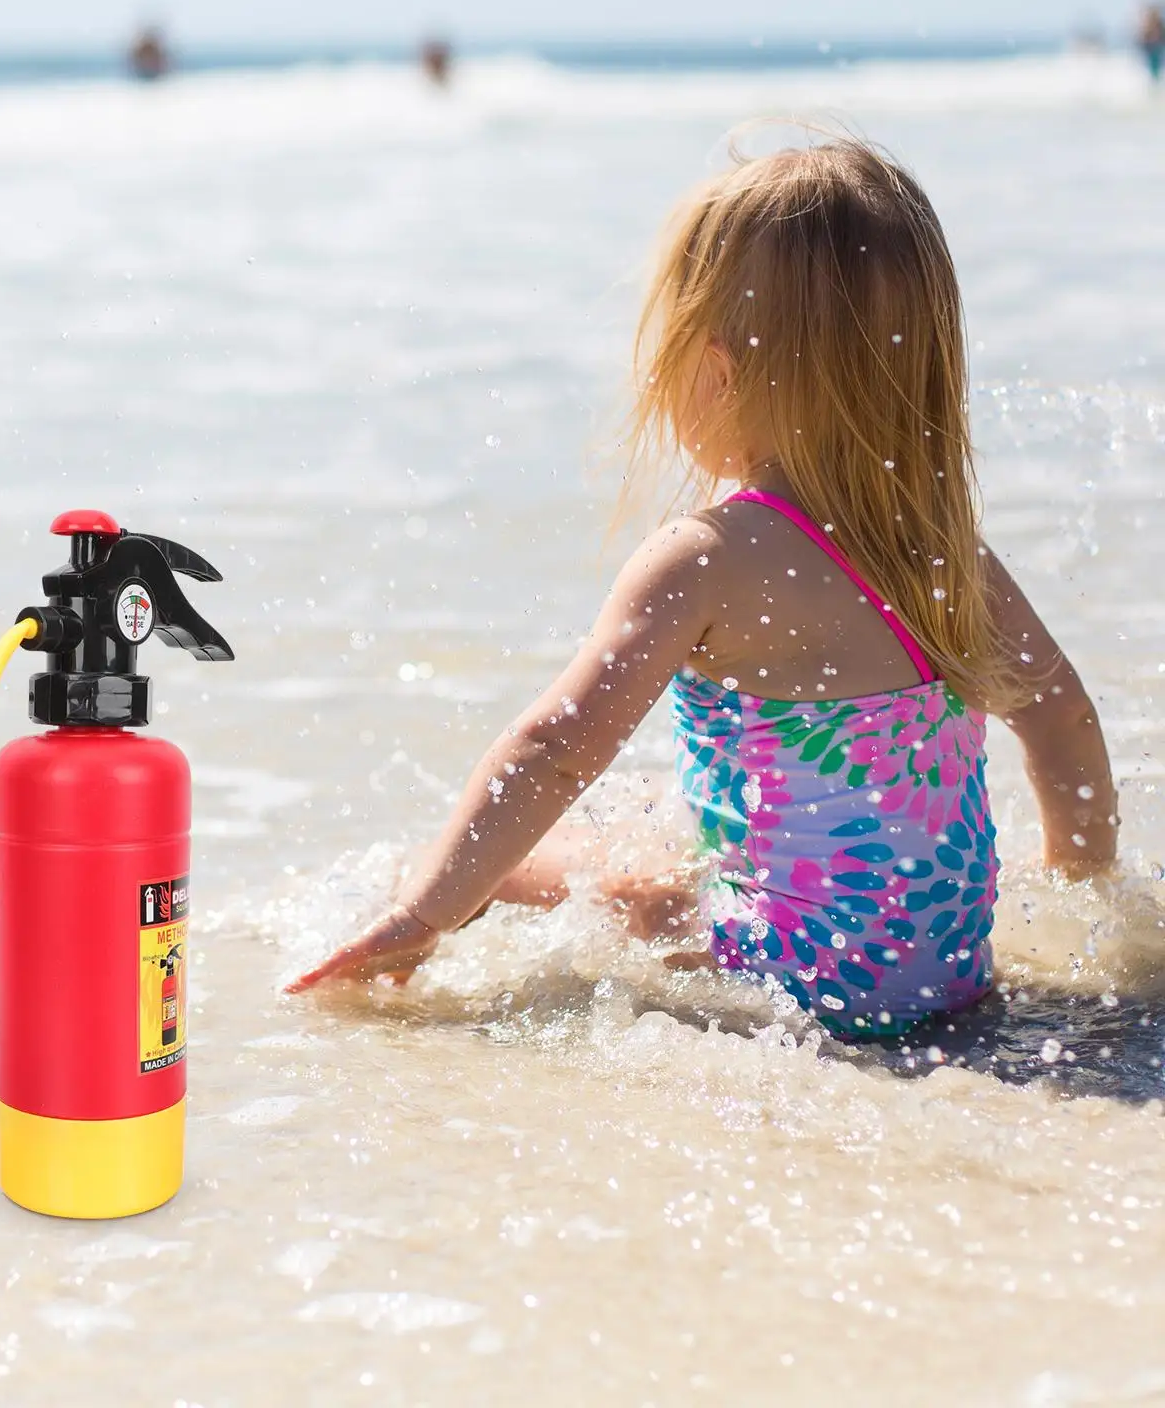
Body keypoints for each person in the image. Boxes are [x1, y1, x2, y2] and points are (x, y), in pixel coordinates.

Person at [288, 138, 1118, 1039]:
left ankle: (392, 930)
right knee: (654, 808)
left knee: (544, 869)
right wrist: (1080, 895)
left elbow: (554, 750)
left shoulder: (707, 557)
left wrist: (426, 912)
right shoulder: (949, 555)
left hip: (791, 985)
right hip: (946, 982)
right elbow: (1062, 717)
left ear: (715, 372)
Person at [1139, 2, 1165, 83]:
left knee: (1156, 65)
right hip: (1151, 47)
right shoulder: (1151, 23)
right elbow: (1145, 35)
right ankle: (1154, 80)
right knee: (1153, 65)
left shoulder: (1157, 22)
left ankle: (1155, 80)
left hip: (1156, 47)